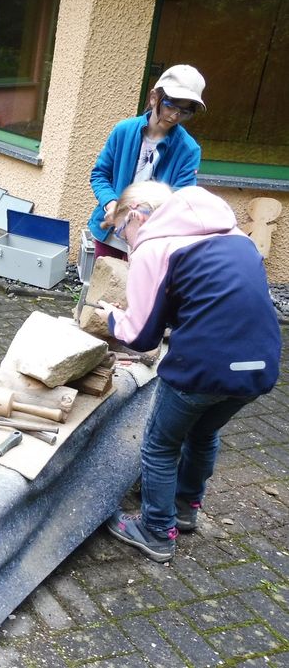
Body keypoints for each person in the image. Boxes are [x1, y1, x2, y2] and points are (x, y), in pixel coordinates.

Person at [98, 181, 281, 563]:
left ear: (138, 215)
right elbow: (213, 301)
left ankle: (156, 531)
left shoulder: (154, 247)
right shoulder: (236, 237)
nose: (125, 242)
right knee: (203, 432)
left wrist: (112, 317)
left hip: (203, 367)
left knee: (160, 445)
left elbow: (142, 337)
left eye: (121, 231)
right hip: (258, 368)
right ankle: (185, 509)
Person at [88, 64, 206, 260]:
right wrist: (111, 204)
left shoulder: (189, 150)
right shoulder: (123, 130)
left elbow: (181, 199)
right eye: (170, 105)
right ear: (154, 97)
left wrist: (143, 216)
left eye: (185, 111)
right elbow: (100, 175)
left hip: (151, 240)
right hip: (109, 232)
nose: (175, 115)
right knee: (104, 278)